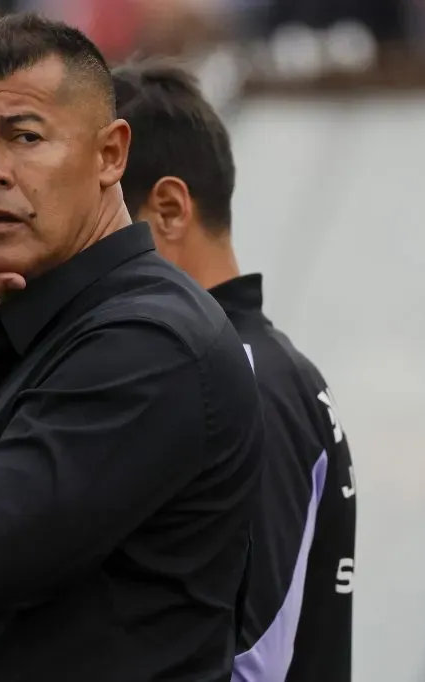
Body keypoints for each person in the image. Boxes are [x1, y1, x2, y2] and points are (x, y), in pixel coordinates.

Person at [0, 59, 355, 681]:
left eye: (31, 144)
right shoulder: (126, 349)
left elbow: (243, 656)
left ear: (155, 198)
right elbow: (125, 595)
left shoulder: (196, 358)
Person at [112, 63, 356, 682]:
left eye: (93, 226)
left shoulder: (241, 379)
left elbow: (251, 664)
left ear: (167, 210)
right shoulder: (209, 371)